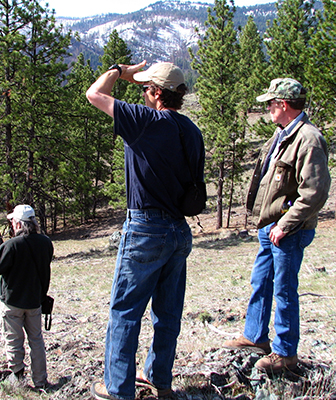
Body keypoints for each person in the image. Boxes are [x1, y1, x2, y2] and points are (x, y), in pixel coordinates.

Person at [86, 61, 205, 400]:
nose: (141, 93)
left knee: (125, 311)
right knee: (167, 313)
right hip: (179, 231)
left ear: (156, 93)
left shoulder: (145, 121)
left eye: (144, 88)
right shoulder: (191, 130)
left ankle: (118, 389)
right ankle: (160, 381)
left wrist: (118, 70)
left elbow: (94, 94)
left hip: (146, 229)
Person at [224, 78, 331, 373]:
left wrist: (285, 225)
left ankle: (285, 353)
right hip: (270, 228)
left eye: (271, 103)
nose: (267, 108)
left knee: (284, 290)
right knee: (262, 282)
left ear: (283, 104)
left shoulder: (308, 138)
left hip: (288, 231)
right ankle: (256, 337)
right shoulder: (282, 134)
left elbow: (315, 192)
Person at [0, 204, 54, 388]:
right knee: (37, 341)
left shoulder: (11, 245)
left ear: (18, 224)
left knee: (13, 339)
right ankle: (40, 380)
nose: (11, 224)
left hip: (12, 302)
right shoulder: (45, 242)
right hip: (35, 301)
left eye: (12, 221)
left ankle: (17, 376)